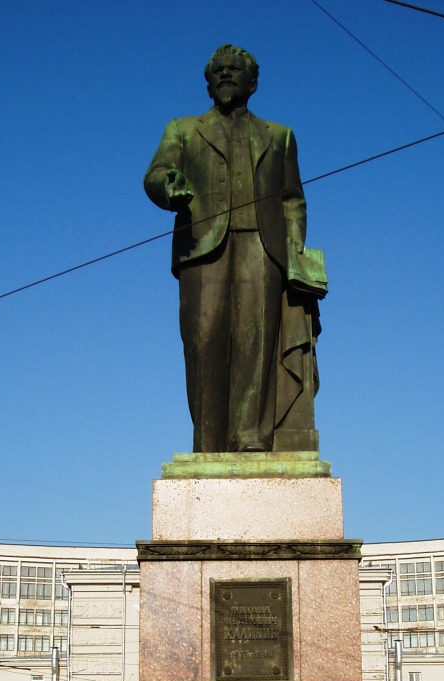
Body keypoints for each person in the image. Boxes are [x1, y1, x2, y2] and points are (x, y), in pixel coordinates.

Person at [145, 44, 325, 454]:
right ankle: (207, 444)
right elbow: (156, 173)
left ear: (253, 82)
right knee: (204, 342)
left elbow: (292, 199)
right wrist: (167, 185)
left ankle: (252, 439)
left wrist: (294, 245)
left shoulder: (279, 136)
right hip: (202, 248)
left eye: (234, 70)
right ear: (208, 83)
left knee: (256, 344)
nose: (226, 75)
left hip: (264, 249)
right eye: (218, 71)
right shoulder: (183, 129)